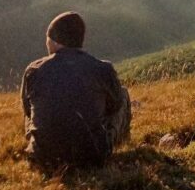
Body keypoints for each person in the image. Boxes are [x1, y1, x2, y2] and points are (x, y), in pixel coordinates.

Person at [21, 11, 131, 170]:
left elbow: (28, 111)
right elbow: (114, 106)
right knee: (123, 94)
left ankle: (35, 143)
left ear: (56, 42)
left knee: (31, 107)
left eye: (48, 39)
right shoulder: (103, 69)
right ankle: (123, 144)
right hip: (92, 157)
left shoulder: (34, 70)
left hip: (42, 158)